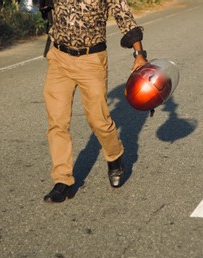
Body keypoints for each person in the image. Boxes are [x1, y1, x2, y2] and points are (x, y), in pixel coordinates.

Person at [40, 0, 148, 203]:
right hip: (59, 58)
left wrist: (139, 54)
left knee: (99, 120)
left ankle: (114, 157)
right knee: (57, 122)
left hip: (91, 60)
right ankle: (63, 180)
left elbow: (123, 14)